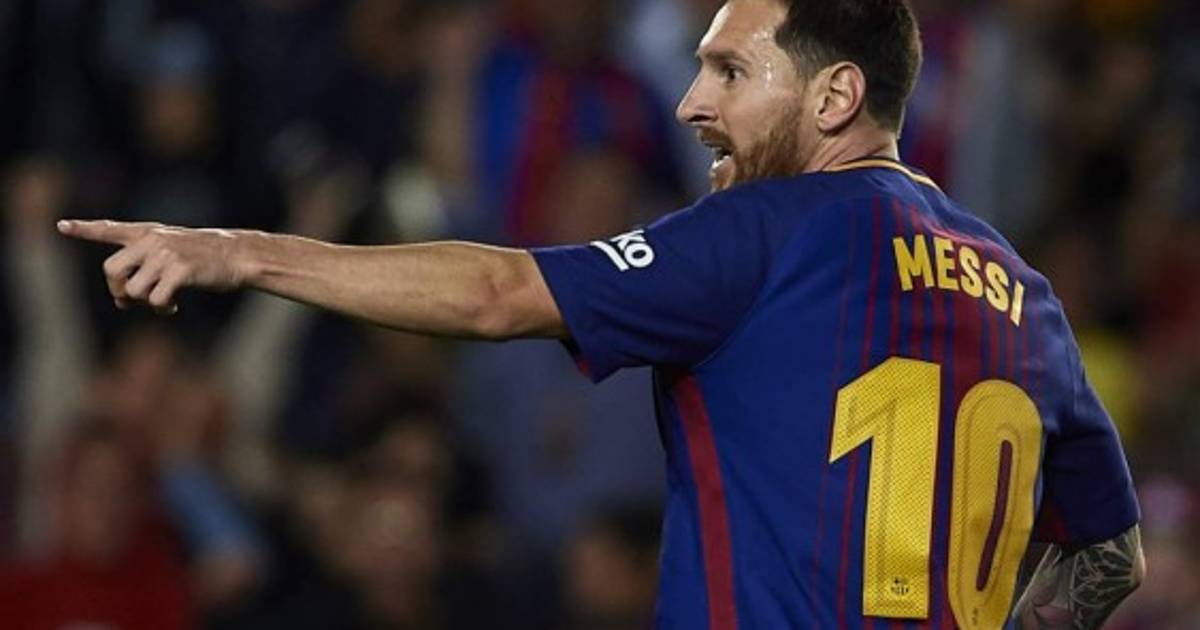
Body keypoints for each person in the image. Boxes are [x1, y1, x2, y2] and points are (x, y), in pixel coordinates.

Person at [57, 0, 1145, 627]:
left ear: (835, 97)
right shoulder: (1026, 296)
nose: (692, 103)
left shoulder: (769, 231)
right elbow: (1111, 559)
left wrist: (242, 251)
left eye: (730, 71)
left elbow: (498, 294)